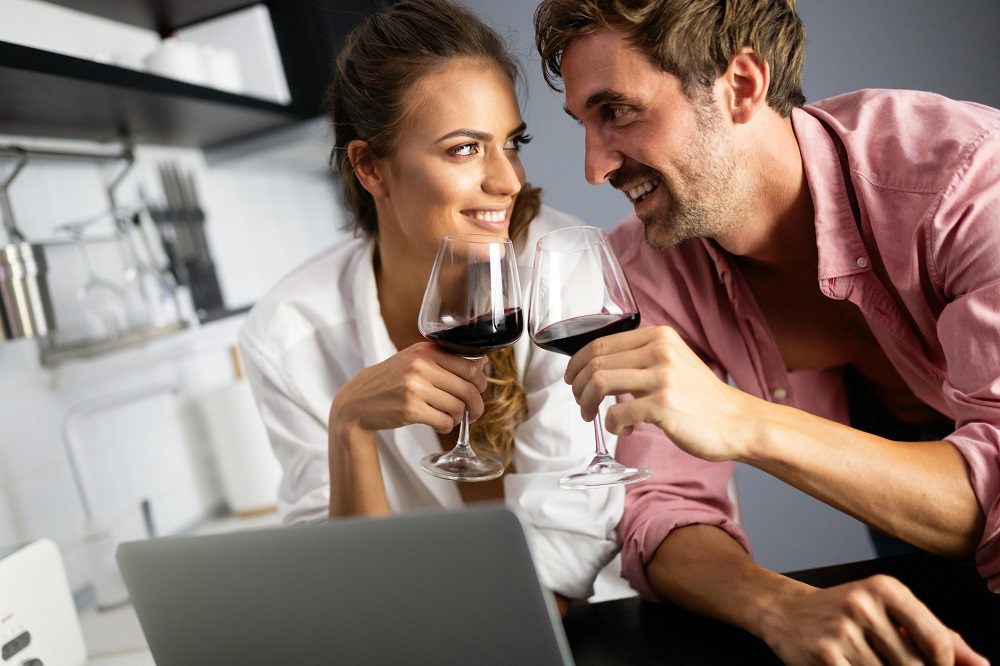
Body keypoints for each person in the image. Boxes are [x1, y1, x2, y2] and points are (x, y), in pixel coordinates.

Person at [534, 0, 997, 662]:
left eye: (618, 112)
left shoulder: (967, 182)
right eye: (584, 122)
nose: (594, 167)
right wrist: (778, 604)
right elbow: (657, 510)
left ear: (742, 86)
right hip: (908, 519)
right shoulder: (647, 266)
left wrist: (742, 421)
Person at [238, 0, 627, 613]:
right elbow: (346, 589)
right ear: (370, 166)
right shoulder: (290, 330)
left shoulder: (562, 270)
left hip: (591, 631)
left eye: (511, 143)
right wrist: (350, 426)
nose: (508, 180)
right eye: (464, 149)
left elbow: (565, 549)